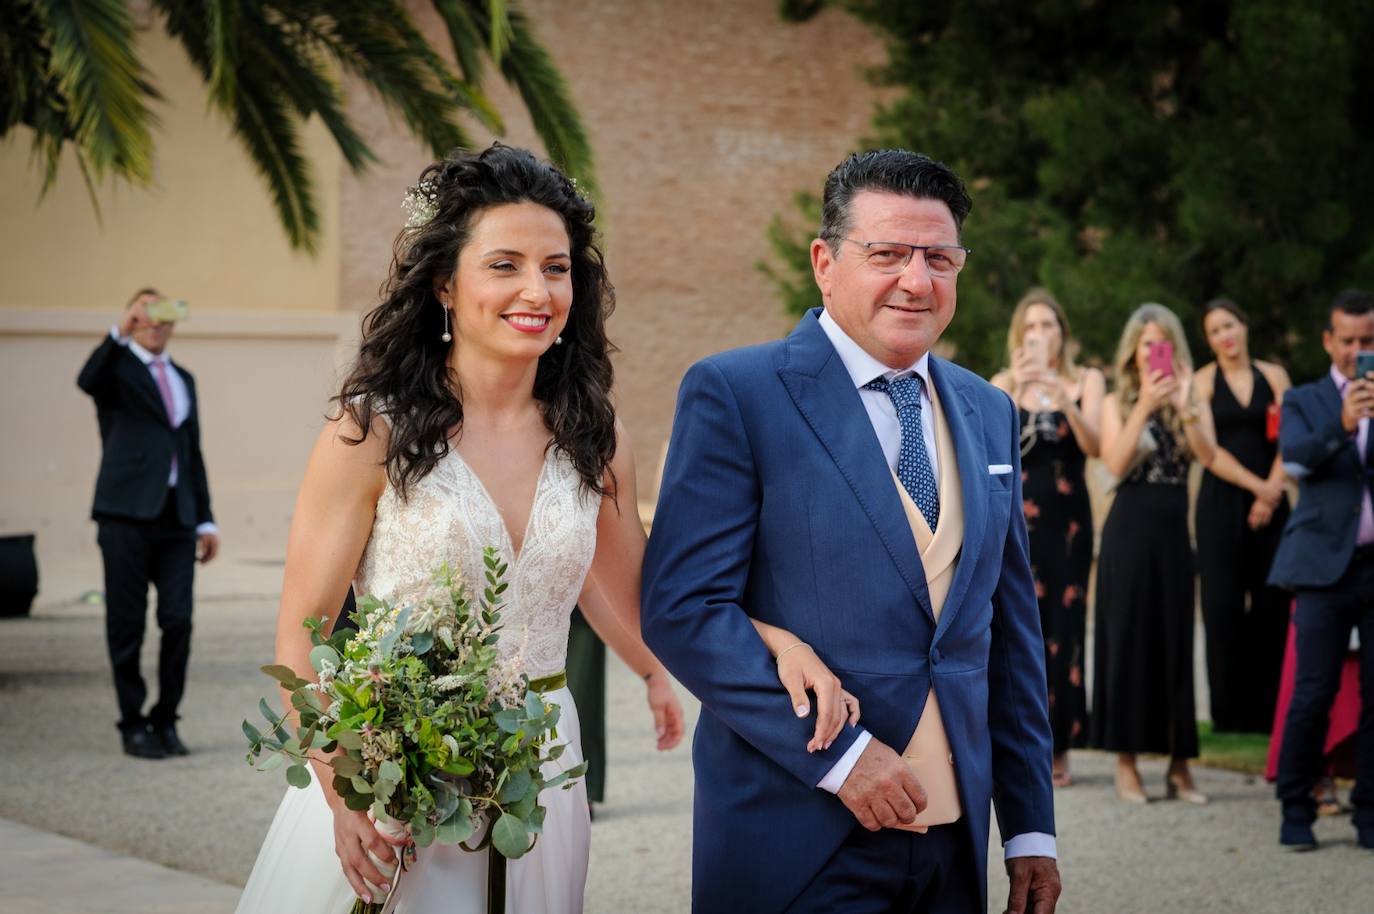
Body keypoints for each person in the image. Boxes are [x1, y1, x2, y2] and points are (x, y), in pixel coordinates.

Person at [235, 145, 833, 914]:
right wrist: (340, 787)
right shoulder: (369, 434)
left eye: (556, 267)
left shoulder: (596, 440)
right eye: (505, 265)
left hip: (542, 770)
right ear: (445, 284)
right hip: (390, 777)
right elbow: (304, 631)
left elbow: (652, 604)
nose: (537, 290)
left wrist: (766, 639)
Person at [643, 150, 1060, 914]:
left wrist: (1030, 831)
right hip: (799, 837)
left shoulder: (988, 410)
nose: (917, 280)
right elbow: (682, 611)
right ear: (825, 263)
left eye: (940, 258)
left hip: (952, 853)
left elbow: (1008, 637)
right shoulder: (737, 394)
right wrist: (842, 759)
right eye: (888, 254)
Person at [76, 289, 219, 759]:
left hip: (177, 517)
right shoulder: (114, 370)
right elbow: (86, 378)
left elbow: (190, 451)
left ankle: (166, 719)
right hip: (125, 515)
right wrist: (117, 331)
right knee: (127, 623)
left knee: (178, 619)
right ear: (135, 320)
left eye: (164, 316)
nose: (156, 324)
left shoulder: (185, 378)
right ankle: (132, 723)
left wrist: (205, 519)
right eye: (146, 315)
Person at [1091, 303, 1219, 805]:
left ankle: (1180, 766)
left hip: (1173, 533)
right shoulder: (1116, 400)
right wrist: (1144, 404)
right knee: (1127, 642)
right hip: (1129, 530)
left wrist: (1186, 405)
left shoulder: (1191, 396)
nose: (1153, 352)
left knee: (1175, 642)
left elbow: (1207, 456)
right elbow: (1115, 461)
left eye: (1162, 342)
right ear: (1133, 352)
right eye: (1146, 343)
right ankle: (1126, 763)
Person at [1268, 289, 1374, 852]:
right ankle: (1295, 809)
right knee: (1312, 693)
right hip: (1320, 569)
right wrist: (1345, 420)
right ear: (1329, 340)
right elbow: (1296, 459)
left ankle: (1370, 815)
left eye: (1368, 341)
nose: (1359, 351)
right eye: (1349, 340)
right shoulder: (1307, 399)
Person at [991, 288, 1104, 788]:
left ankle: (1063, 747)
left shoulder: (1086, 380)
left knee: (1065, 629)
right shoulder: (1002, 383)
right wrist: (1016, 388)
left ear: (1063, 333)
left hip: (1070, 524)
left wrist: (1064, 401)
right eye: (1031, 327)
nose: (1040, 335)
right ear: (1021, 335)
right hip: (1017, 524)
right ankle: (1017, 742)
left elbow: (1097, 446)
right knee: (1018, 631)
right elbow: (989, 450)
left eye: (1048, 326)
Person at [1192, 299, 1293, 733]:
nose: (1224, 336)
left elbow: (1291, 437)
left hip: (1274, 499)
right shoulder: (1203, 381)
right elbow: (1209, 453)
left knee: (1274, 603)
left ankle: (1272, 710)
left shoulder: (1274, 376)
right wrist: (1258, 489)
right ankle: (1230, 716)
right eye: (1214, 332)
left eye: (1229, 325)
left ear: (1244, 326)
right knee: (1223, 605)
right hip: (1222, 502)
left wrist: (1272, 492)